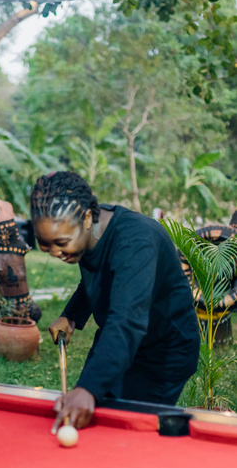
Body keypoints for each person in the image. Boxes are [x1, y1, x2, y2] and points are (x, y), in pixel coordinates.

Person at [30, 171, 200, 431]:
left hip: (163, 350)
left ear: (87, 218)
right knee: (95, 413)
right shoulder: (88, 234)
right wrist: (72, 315)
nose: (55, 252)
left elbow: (127, 321)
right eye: (45, 245)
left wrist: (87, 388)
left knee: (124, 429)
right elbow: (102, 275)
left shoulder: (136, 242)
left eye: (61, 243)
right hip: (117, 339)